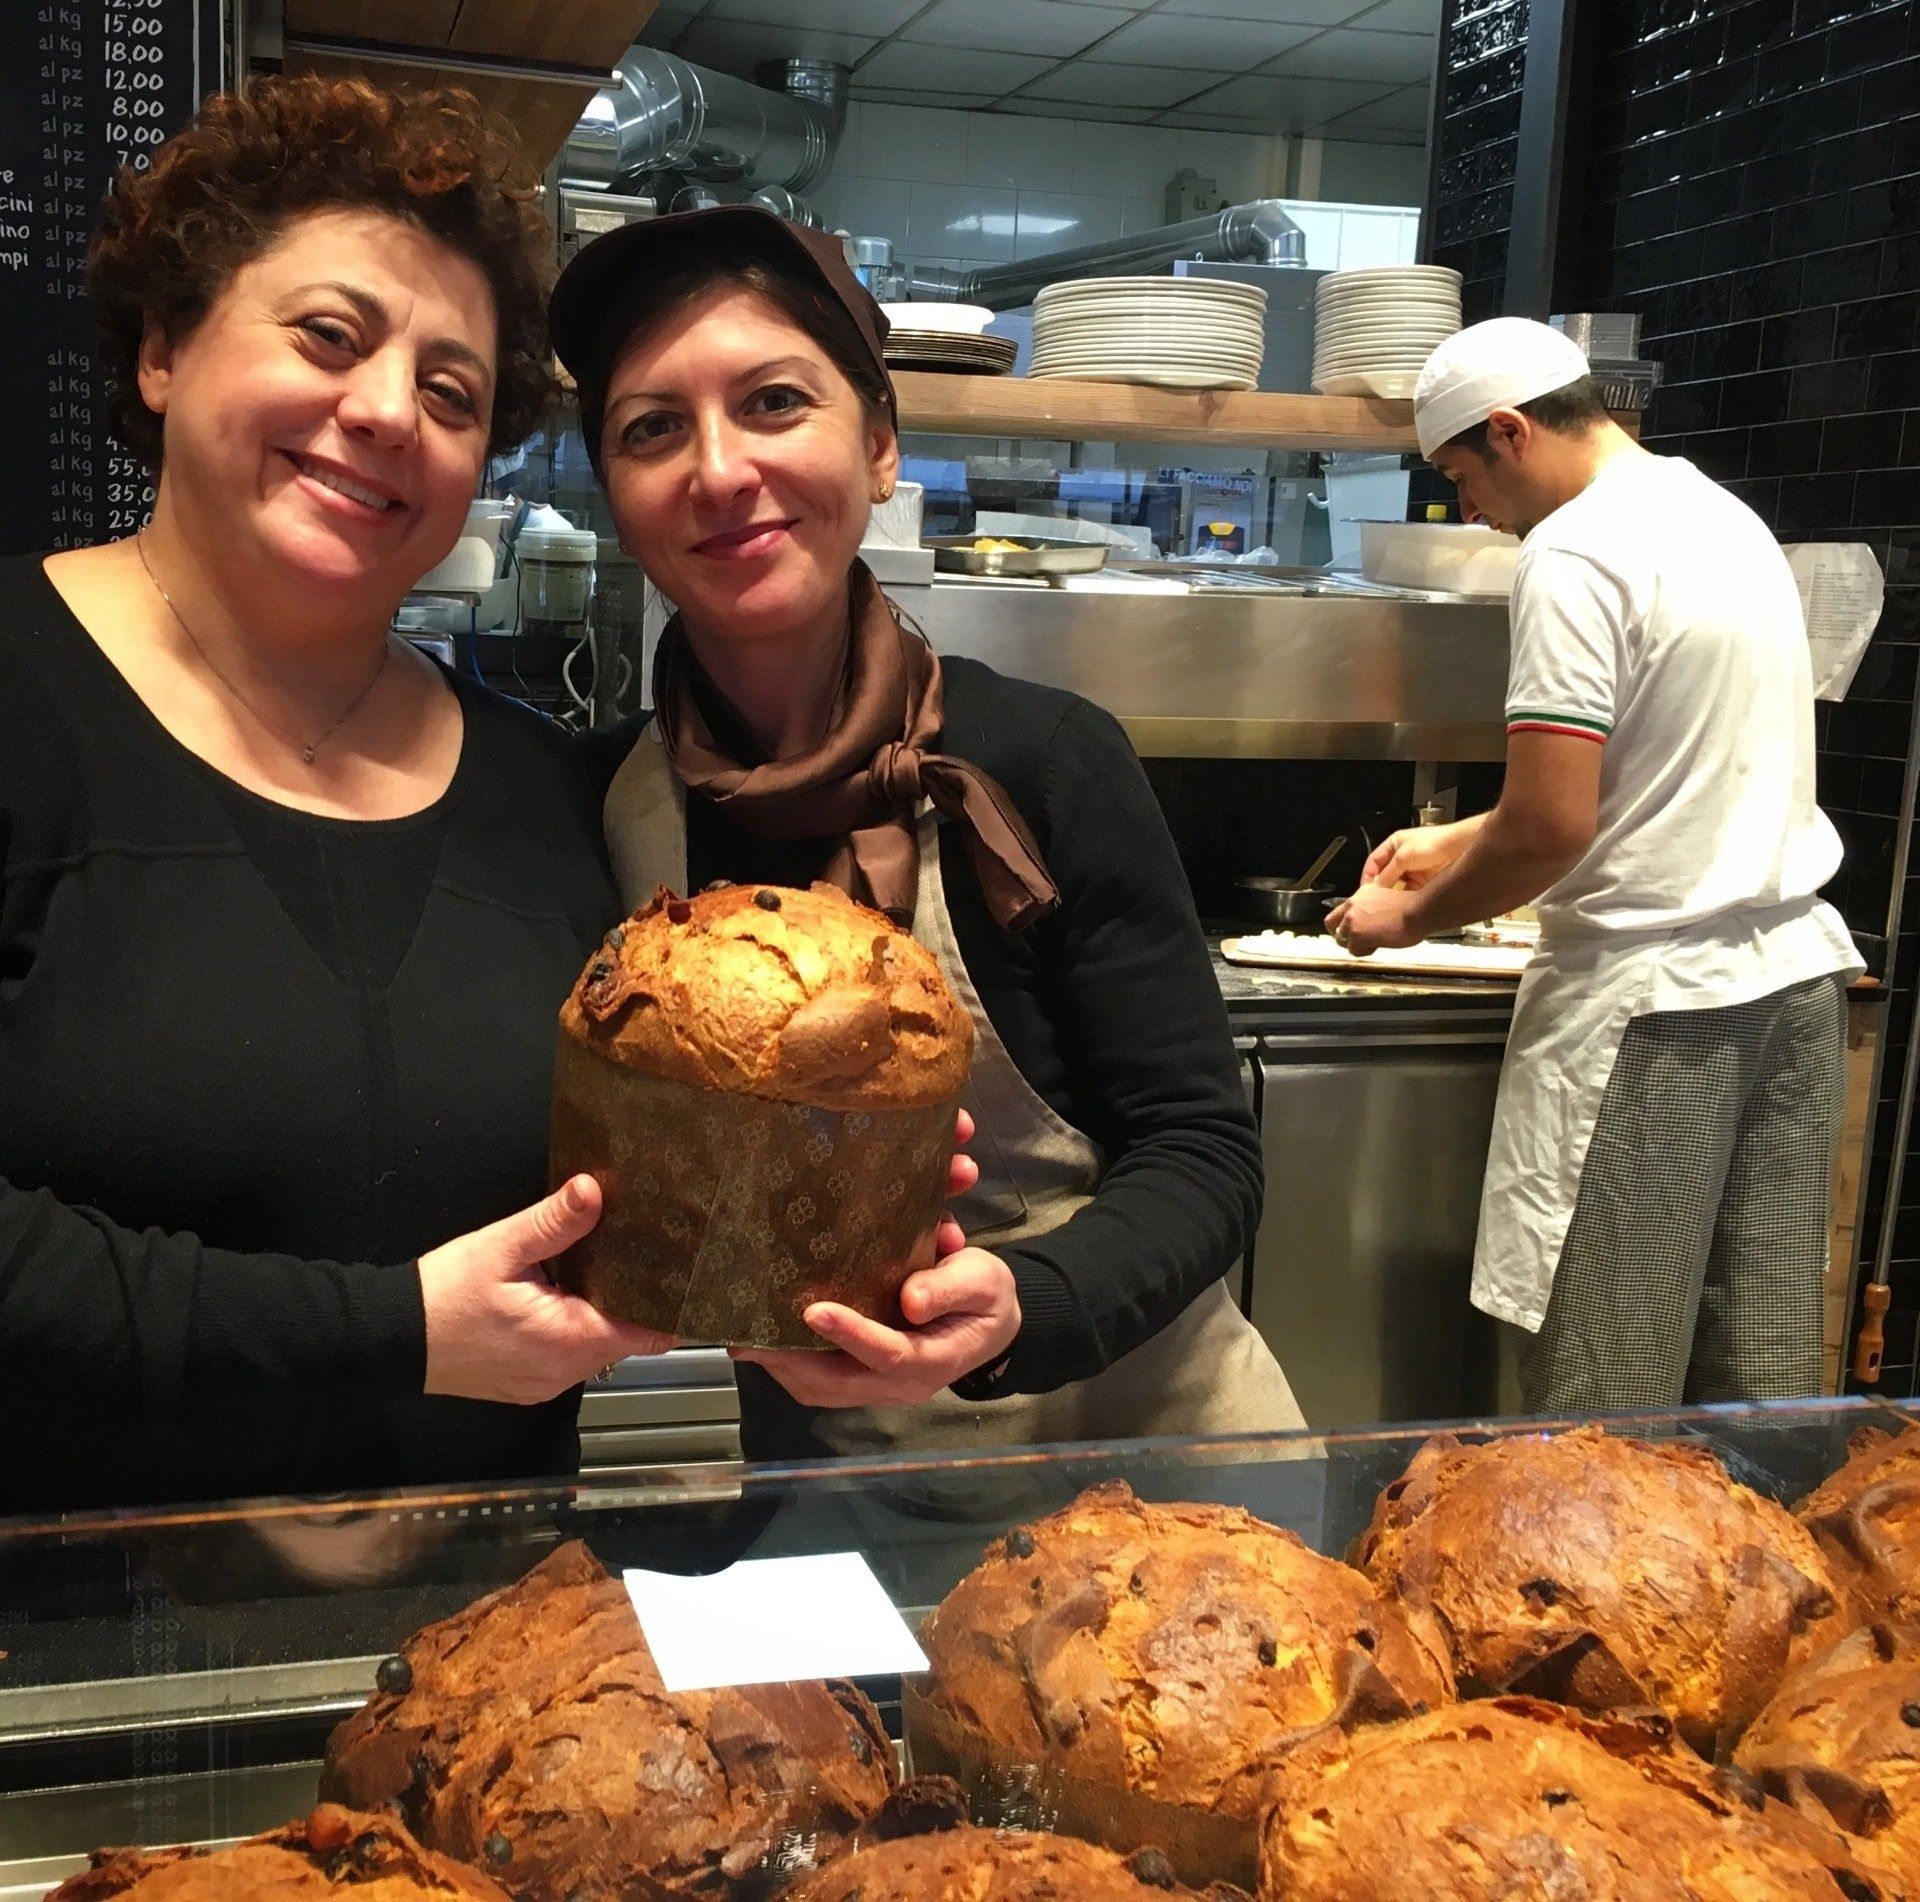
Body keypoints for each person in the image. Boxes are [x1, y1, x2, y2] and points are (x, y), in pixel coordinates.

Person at [0, 75, 680, 1513]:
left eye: (451, 392)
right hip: (61, 1665)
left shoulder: (539, 789)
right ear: (165, 347)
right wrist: (395, 1333)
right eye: (329, 336)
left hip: (490, 1654)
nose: (386, 412)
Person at [550, 206, 1300, 1460]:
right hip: (838, 1496)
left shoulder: (1043, 763)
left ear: (883, 445)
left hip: (1136, 1458)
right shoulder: (609, 810)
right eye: (652, 429)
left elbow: (1204, 1152)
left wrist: (1026, 1305)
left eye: (776, 402)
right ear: (619, 500)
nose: (721, 468)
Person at [1327, 317, 1862, 1414]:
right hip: (1793, 987)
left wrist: (1406, 922)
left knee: (1604, 1408)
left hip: (1656, 1017)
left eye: (1460, 474)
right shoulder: (1720, 515)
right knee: (1754, 1392)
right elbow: (1673, 775)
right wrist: (1456, 838)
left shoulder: (1573, 553)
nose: (1466, 509)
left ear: (1513, 431)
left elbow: (1553, 830)